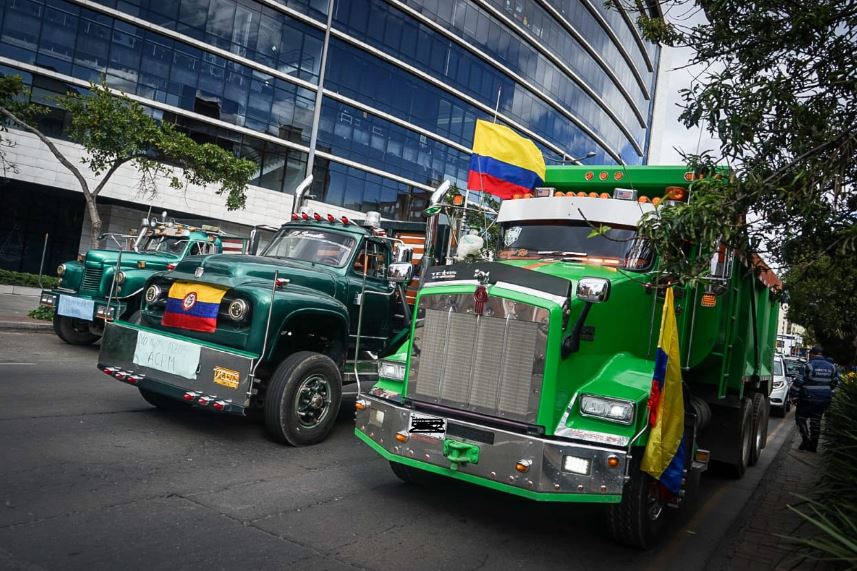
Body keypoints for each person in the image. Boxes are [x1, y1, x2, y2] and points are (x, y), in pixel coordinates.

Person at [790, 346, 838, 452]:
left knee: (800, 418)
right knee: (816, 421)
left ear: (812, 354)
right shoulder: (832, 367)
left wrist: (793, 394)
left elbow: (799, 381)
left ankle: (806, 441)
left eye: (809, 354)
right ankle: (813, 447)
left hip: (807, 398)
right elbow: (835, 382)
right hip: (824, 400)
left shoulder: (809, 365)